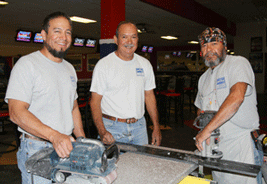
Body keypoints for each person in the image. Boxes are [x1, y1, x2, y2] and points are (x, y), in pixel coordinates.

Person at [5, 12, 85, 184]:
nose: (63, 37)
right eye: (57, 31)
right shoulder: (27, 65)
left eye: (68, 32)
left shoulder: (70, 69)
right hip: (37, 149)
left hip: (66, 146)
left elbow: (73, 107)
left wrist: (82, 140)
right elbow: (15, 112)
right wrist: (55, 136)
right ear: (43, 34)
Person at [194, 27, 262, 184]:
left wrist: (207, 130)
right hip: (217, 150)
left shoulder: (238, 63)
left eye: (214, 44)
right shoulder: (203, 78)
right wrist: (204, 132)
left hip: (242, 147)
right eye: (204, 46)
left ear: (225, 47)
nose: (209, 49)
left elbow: (236, 98)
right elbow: (200, 111)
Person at [90, 21, 161, 146]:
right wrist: (102, 131)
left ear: (137, 40)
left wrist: (156, 127)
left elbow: (149, 96)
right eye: (124, 37)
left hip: (140, 128)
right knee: (114, 165)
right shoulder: (104, 65)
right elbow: (95, 102)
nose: (129, 41)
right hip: (112, 128)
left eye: (133, 37)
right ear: (116, 40)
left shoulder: (145, 64)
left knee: (141, 165)